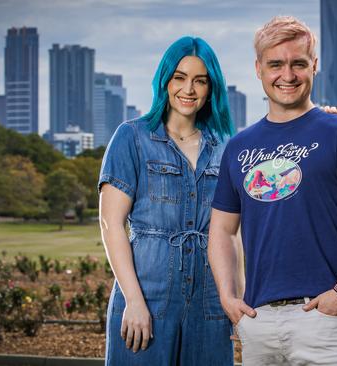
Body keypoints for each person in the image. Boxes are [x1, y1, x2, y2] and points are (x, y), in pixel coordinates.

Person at [207, 16, 337, 366]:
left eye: (298, 64)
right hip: (258, 321)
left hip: (326, 322)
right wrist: (228, 297)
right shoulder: (238, 146)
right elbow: (221, 228)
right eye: (276, 64)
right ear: (258, 68)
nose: (288, 75)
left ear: (315, 66)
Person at [98, 36, 235, 365]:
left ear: (210, 88)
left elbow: (234, 233)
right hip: (148, 295)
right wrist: (134, 300)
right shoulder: (132, 137)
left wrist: (235, 299)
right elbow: (111, 223)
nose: (189, 89)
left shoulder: (225, 146)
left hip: (210, 302)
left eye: (200, 81)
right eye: (180, 77)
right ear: (165, 81)